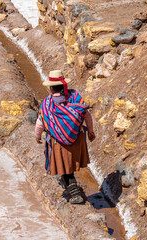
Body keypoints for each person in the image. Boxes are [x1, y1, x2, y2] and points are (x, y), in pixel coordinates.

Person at [35, 70, 96, 204]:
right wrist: (90, 131)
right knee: (69, 165)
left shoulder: (47, 103)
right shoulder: (74, 96)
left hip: (58, 142)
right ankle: (67, 182)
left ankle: (74, 193)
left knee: (64, 166)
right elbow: (86, 114)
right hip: (76, 139)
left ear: (51, 88)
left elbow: (40, 122)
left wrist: (37, 136)